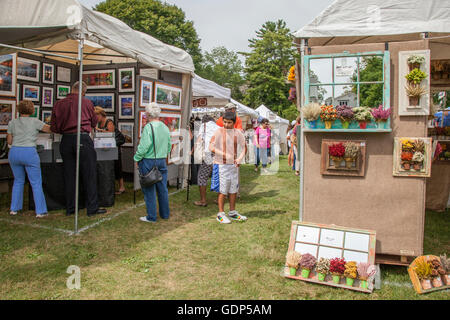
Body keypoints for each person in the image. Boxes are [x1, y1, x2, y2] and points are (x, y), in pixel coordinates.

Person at [51, 81, 107, 217]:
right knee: (89, 174)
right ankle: (92, 208)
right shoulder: (87, 103)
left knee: (69, 175)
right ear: (83, 92)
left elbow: (54, 127)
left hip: (66, 140)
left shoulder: (59, 104)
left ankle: (71, 208)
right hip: (82, 139)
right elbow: (94, 122)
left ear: (72, 89)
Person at [7, 100, 52, 217]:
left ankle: (14, 209)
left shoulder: (12, 123)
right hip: (29, 152)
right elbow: (50, 129)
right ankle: (40, 211)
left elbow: (9, 141)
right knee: (36, 182)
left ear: (18, 109)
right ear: (32, 110)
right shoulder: (35, 122)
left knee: (18, 181)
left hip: (14, 152)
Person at [134, 102, 172, 223]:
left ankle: (151, 216)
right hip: (161, 160)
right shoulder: (165, 127)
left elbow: (144, 146)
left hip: (149, 161)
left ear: (148, 114)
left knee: (149, 189)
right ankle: (165, 214)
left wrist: (136, 158)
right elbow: (169, 146)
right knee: (163, 189)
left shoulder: (148, 127)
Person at [209, 111, 247, 224]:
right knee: (223, 190)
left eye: (229, 122)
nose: (226, 124)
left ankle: (232, 212)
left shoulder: (238, 133)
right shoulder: (218, 131)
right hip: (221, 165)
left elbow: (244, 147)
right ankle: (220, 214)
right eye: (224, 122)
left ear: (234, 123)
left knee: (233, 189)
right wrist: (223, 154)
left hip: (233, 165)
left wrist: (239, 159)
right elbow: (211, 146)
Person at [94, 107, 125, 195]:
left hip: (113, 148)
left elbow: (110, 134)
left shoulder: (109, 122)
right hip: (104, 147)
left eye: (97, 115)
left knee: (117, 166)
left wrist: (99, 130)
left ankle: (121, 187)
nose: (96, 118)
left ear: (101, 115)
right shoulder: (98, 123)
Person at [193, 115, 219, 207]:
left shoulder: (203, 126)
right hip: (218, 153)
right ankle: (220, 198)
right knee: (219, 175)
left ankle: (203, 200)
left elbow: (199, 140)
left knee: (202, 176)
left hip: (208, 153)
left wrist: (192, 151)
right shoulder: (218, 127)